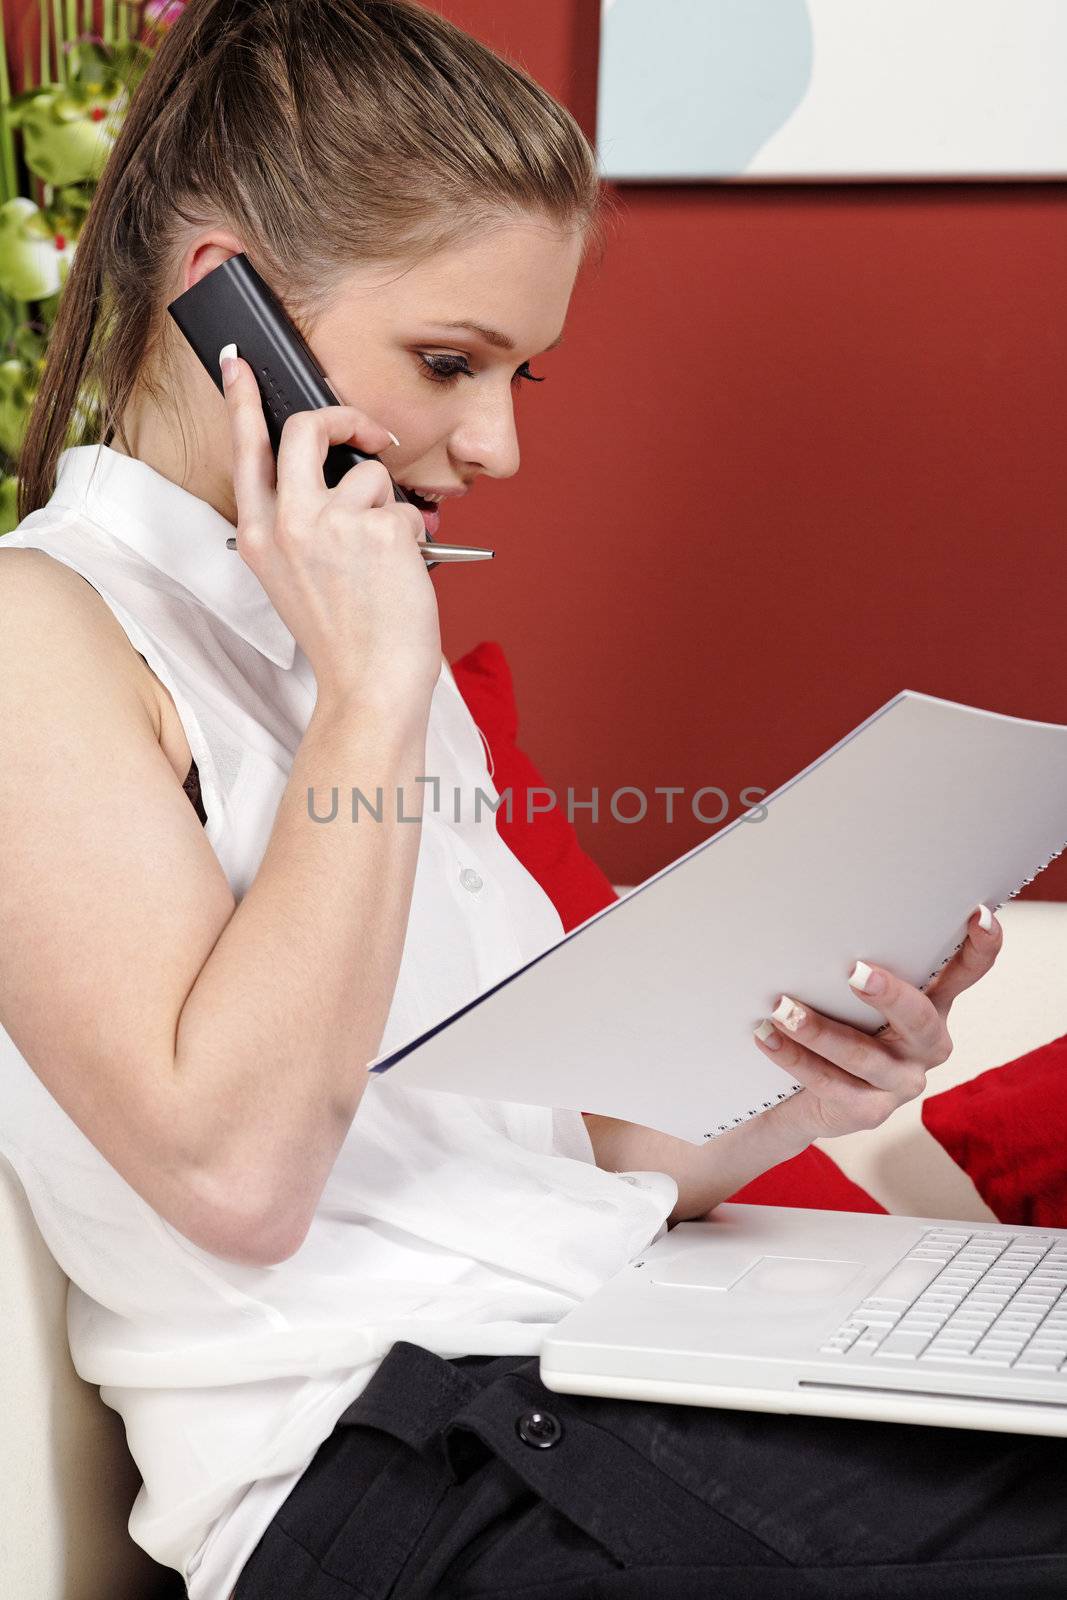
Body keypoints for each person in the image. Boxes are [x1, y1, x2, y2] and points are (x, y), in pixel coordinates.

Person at [0, 1, 1062, 1596]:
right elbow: (236, 1178)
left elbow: (526, 1156)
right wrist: (371, 690)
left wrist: (816, 1087)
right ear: (219, 296)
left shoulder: (345, 628)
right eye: (448, 361)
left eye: (522, 375)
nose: (494, 443)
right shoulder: (47, 636)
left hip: (602, 1364)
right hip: (399, 1469)